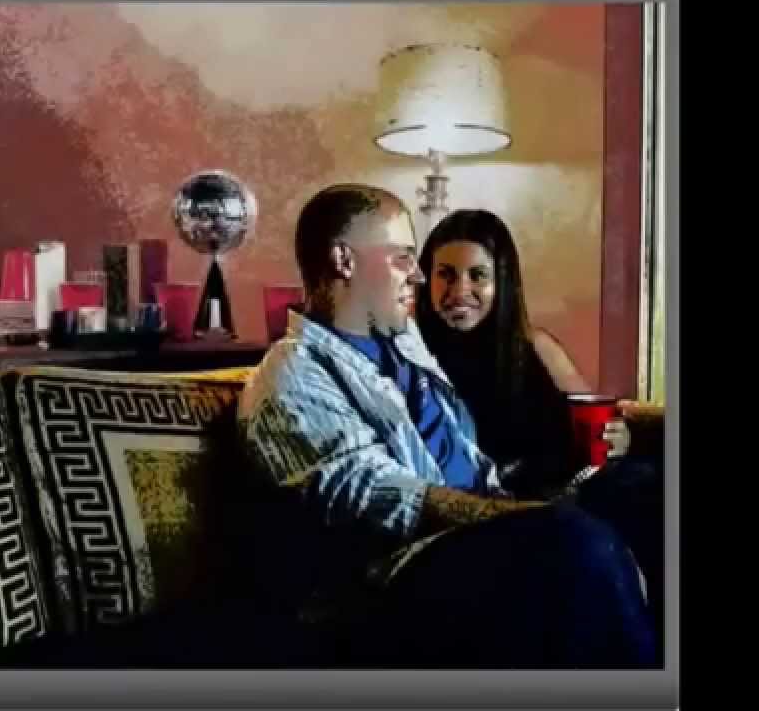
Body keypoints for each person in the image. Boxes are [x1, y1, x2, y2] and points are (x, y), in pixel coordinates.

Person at [237, 184, 656, 668]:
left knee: (644, 491)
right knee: (575, 542)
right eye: (402, 257)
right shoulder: (293, 372)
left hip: (485, 525)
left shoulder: (404, 342)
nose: (417, 275)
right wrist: (520, 516)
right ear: (343, 260)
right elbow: (379, 497)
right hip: (400, 572)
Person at [413, 207, 664, 623]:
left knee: (647, 482)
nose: (460, 290)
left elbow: (595, 415)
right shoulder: (414, 359)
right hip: (511, 510)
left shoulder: (535, 346)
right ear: (426, 279)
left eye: (478, 276)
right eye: (446, 274)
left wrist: (619, 437)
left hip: (580, 487)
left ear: (502, 282)